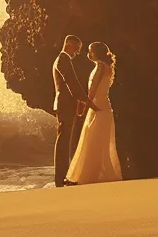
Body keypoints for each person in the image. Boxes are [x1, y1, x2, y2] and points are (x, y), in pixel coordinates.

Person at [67, 42, 123, 185]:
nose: (88, 53)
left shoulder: (99, 66)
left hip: (97, 107)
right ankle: (94, 175)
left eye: (91, 51)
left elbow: (93, 90)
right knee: (97, 142)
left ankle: (86, 177)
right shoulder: (106, 67)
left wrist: (85, 106)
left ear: (97, 53)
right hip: (103, 106)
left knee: (92, 140)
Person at [51, 34, 90, 187]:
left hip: (64, 104)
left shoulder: (62, 59)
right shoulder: (63, 59)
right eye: (77, 48)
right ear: (68, 44)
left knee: (65, 141)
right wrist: (84, 99)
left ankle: (63, 177)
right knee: (63, 141)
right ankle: (60, 179)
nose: (77, 52)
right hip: (64, 104)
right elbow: (71, 81)